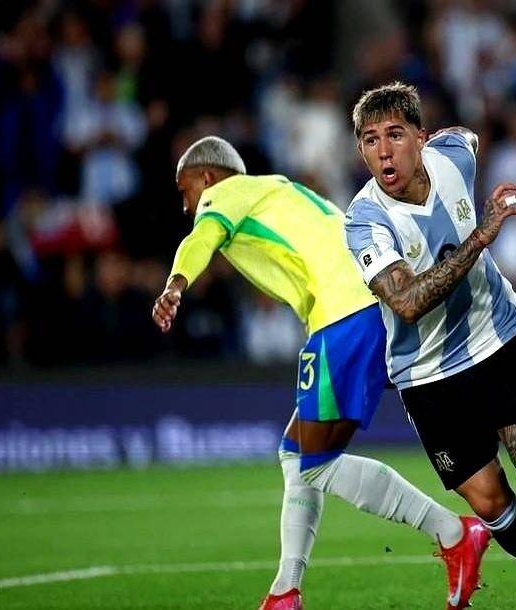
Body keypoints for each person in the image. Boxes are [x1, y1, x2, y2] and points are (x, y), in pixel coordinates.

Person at [151, 136, 491, 610]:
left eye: (185, 190)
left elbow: (199, 238)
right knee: (297, 453)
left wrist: (175, 285)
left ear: (206, 177)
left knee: (318, 462)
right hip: (372, 303)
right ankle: (285, 591)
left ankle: (453, 532)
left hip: (346, 314)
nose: (187, 205)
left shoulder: (225, 193)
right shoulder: (282, 191)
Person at [344, 82, 516, 610]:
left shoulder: (452, 156)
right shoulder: (364, 221)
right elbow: (408, 303)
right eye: (371, 140)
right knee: (489, 503)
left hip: (496, 336)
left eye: (396, 135)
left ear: (421, 138)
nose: (384, 151)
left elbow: (466, 137)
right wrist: (481, 235)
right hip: (426, 373)